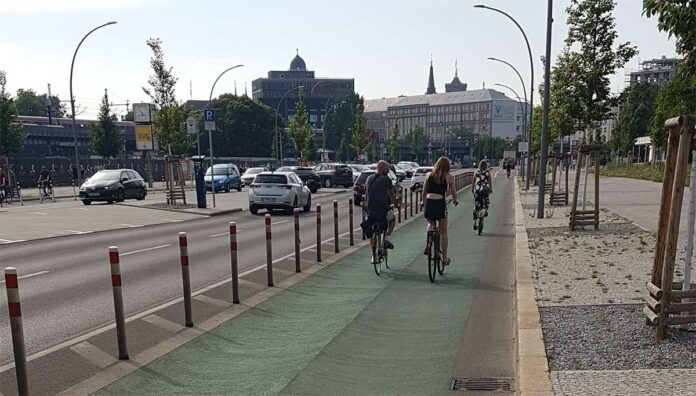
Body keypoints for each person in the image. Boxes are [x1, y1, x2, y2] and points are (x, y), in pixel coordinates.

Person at [422, 156, 458, 265]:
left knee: (431, 223)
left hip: (429, 203)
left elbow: (424, 192)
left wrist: (424, 205)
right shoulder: (448, 177)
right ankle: (445, 258)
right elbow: (453, 191)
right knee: (443, 230)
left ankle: (429, 243)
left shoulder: (429, 175)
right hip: (440, 204)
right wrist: (455, 200)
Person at [361, 160, 397, 264]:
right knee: (392, 219)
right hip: (382, 211)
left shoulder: (369, 178)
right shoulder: (386, 179)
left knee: (373, 232)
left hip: (371, 211)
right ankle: (386, 238)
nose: (388, 171)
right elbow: (391, 195)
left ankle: (373, 256)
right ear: (382, 168)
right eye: (387, 169)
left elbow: (367, 192)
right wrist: (396, 204)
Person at [472, 160, 493, 229]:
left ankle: (475, 221)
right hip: (485, 190)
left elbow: (473, 182)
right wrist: (490, 189)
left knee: (476, 204)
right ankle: (485, 210)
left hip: (477, 190)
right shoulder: (487, 172)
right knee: (486, 202)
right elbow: (489, 182)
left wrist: (473, 189)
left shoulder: (476, 172)